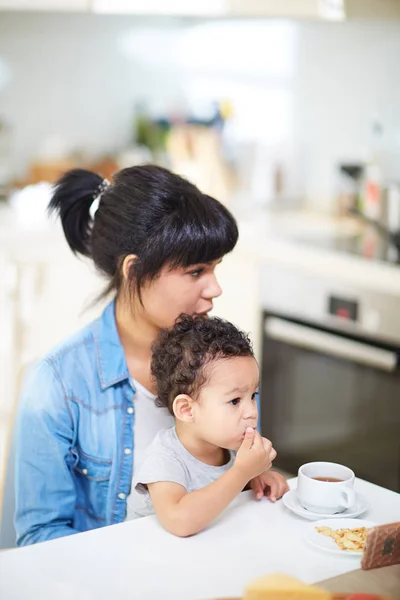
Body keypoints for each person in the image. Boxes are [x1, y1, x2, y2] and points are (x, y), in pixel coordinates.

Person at [14, 164, 239, 546]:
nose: (215, 288)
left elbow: (243, 487)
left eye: (216, 267)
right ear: (134, 271)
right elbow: (40, 538)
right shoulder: (58, 383)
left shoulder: (225, 365)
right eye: (196, 271)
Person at [130, 315, 289, 536]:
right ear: (187, 409)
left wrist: (257, 478)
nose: (252, 411)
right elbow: (179, 521)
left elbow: (227, 493)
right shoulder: (165, 458)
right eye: (234, 401)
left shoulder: (227, 444)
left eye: (253, 395)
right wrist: (242, 473)